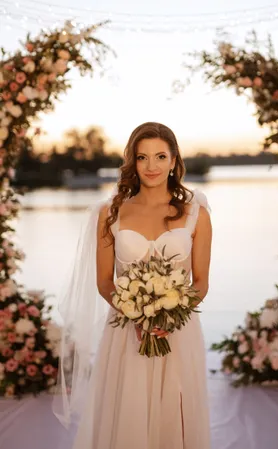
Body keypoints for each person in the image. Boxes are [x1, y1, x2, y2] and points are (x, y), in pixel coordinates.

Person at [54, 122, 212, 449]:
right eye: (142, 158)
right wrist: (137, 314)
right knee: (129, 412)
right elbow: (103, 281)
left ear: (173, 160)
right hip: (125, 330)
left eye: (160, 156)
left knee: (177, 412)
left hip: (179, 331)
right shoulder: (110, 212)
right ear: (132, 162)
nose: (151, 166)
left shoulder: (196, 212)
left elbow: (200, 282)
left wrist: (169, 317)